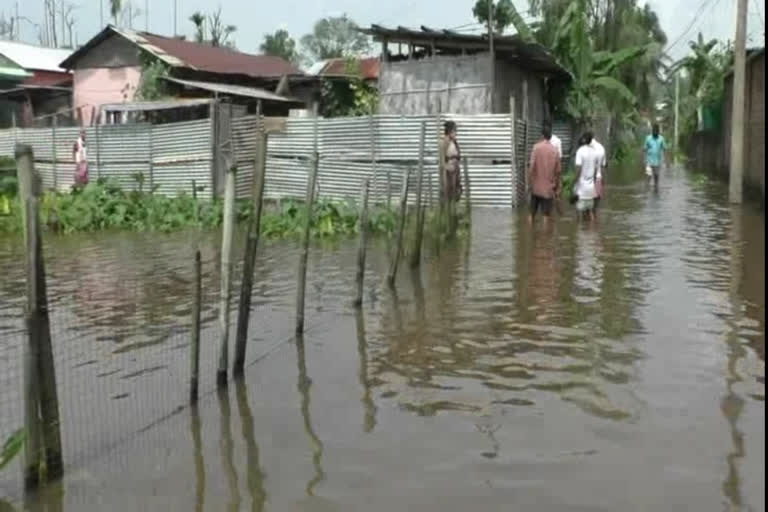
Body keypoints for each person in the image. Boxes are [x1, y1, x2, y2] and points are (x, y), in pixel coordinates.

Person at [527, 123, 562, 226]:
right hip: (548, 189)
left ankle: (530, 235)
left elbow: (531, 167)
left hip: (536, 188)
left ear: (542, 136)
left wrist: (529, 184)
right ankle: (545, 239)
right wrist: (558, 187)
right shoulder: (555, 151)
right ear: (550, 137)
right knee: (546, 216)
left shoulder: (536, 148)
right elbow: (558, 171)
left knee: (531, 214)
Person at [573, 131, 601, 223]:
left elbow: (578, 169)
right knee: (591, 213)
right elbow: (596, 170)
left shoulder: (580, 151)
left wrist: (573, 182)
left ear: (584, 140)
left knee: (579, 213)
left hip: (581, 187)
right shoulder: (594, 152)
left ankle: (580, 233)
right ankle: (593, 232)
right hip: (591, 187)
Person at [442, 121, 462, 202]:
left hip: (455, 168)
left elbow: (458, 154)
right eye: (454, 131)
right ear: (449, 131)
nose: (455, 133)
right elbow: (442, 157)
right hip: (449, 169)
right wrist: (447, 165)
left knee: (456, 188)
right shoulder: (445, 141)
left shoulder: (454, 142)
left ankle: (454, 207)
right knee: (449, 188)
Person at [643, 123, 666, 189]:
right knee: (648, 175)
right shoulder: (648, 138)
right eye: (654, 131)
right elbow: (644, 149)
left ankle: (656, 189)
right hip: (649, 161)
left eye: (656, 131)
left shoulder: (661, 139)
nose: (655, 132)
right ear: (652, 131)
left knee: (656, 176)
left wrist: (667, 161)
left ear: (658, 131)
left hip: (657, 161)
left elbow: (664, 149)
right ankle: (646, 190)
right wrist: (644, 159)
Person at [590, 137, 606, 211]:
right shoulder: (601, 147)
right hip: (598, 178)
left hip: (586, 180)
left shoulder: (584, 148)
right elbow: (603, 166)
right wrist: (603, 182)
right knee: (595, 208)